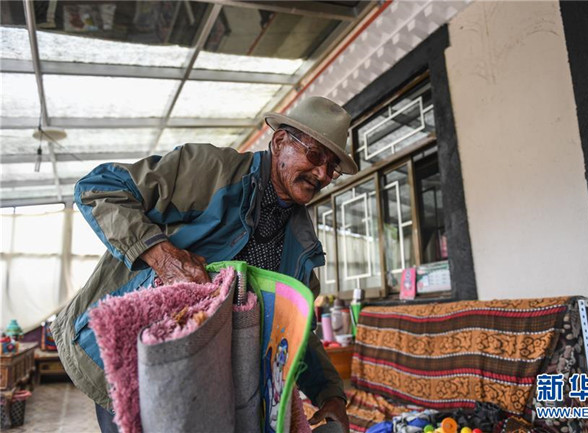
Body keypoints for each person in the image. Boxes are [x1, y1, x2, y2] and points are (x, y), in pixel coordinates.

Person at [51, 96, 359, 433]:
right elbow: (99, 188)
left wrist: (330, 393)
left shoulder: (303, 246)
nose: (322, 173)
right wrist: (162, 256)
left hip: (207, 385)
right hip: (135, 361)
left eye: (332, 167)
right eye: (314, 155)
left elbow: (295, 328)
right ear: (279, 141)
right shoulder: (211, 171)